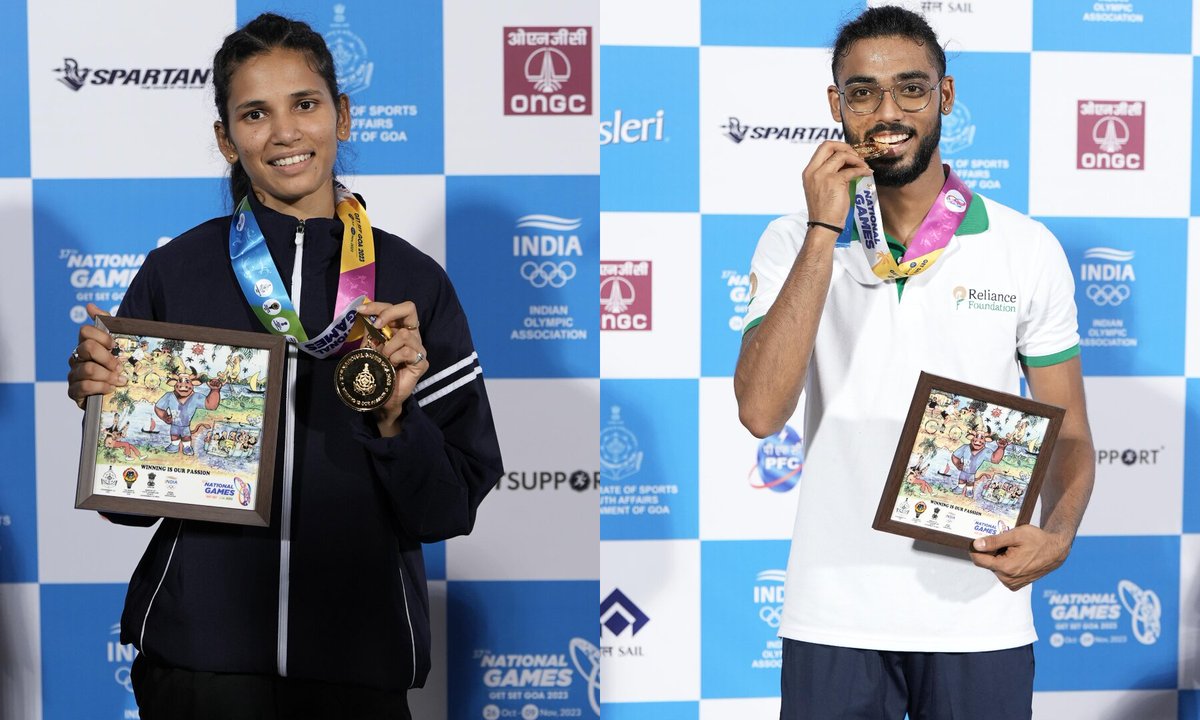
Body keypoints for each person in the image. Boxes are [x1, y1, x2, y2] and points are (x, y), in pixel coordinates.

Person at [66, 13, 502, 720]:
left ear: (343, 116)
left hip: (358, 661)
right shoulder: (178, 271)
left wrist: (397, 422)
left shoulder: (413, 282)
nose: (286, 132)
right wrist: (104, 413)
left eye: (306, 104)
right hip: (201, 663)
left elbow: (447, 507)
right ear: (225, 138)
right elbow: (124, 507)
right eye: (255, 113)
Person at [733, 6, 1094, 719]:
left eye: (911, 89)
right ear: (836, 106)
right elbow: (760, 411)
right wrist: (821, 229)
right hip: (831, 612)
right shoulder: (791, 240)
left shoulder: (1026, 248)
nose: (887, 111)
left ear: (946, 97)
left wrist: (1058, 533)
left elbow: (1072, 431)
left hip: (977, 615)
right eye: (862, 93)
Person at [951, 429, 1008, 499]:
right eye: (976, 437)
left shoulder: (986, 451)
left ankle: (969, 490)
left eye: (981, 438)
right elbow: (955, 456)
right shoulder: (965, 447)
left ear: (986, 440)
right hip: (963, 470)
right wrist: (958, 464)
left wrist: (1001, 448)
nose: (978, 441)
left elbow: (995, 460)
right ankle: (959, 488)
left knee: (970, 482)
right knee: (962, 479)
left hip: (972, 473)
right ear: (971, 438)